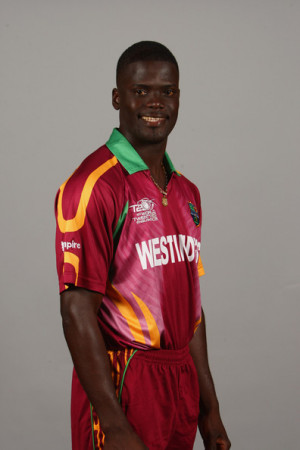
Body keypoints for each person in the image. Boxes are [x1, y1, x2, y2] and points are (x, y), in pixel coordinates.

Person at [55, 41, 231, 450]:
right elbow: (76, 309)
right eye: (141, 91)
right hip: (124, 379)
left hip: (180, 380)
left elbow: (191, 309)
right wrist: (114, 424)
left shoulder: (187, 192)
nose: (156, 102)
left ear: (179, 97)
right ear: (118, 98)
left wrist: (211, 410)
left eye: (168, 91)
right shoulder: (93, 186)